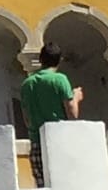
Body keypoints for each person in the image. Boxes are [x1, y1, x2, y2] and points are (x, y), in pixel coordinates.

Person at [17, 45, 78, 176]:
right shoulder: (60, 79)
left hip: (36, 142)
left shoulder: (27, 84)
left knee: (43, 187)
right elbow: (72, 114)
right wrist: (76, 97)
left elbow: (26, 119)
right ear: (60, 60)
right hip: (59, 141)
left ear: (40, 59)